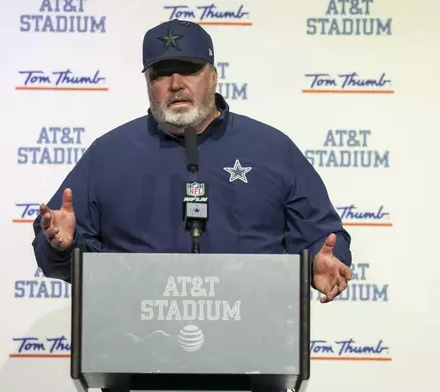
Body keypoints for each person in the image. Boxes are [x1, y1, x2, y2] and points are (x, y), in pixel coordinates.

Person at [31, 19, 353, 303]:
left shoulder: (271, 149)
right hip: (136, 346)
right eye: (160, 74)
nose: (175, 84)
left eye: (189, 69)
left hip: (253, 345)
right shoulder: (108, 154)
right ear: (148, 83)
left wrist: (320, 261)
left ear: (213, 77)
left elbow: (319, 233)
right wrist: (62, 246)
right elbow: (59, 250)